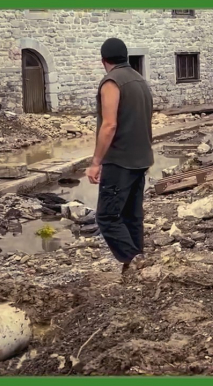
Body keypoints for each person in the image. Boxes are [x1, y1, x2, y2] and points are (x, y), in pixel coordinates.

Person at [85, 37, 155, 274]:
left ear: (103, 60)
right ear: (125, 57)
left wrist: (96, 162)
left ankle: (134, 261)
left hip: (120, 160)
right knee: (131, 216)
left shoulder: (111, 82)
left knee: (106, 217)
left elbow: (109, 125)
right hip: (141, 159)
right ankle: (135, 267)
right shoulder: (139, 80)